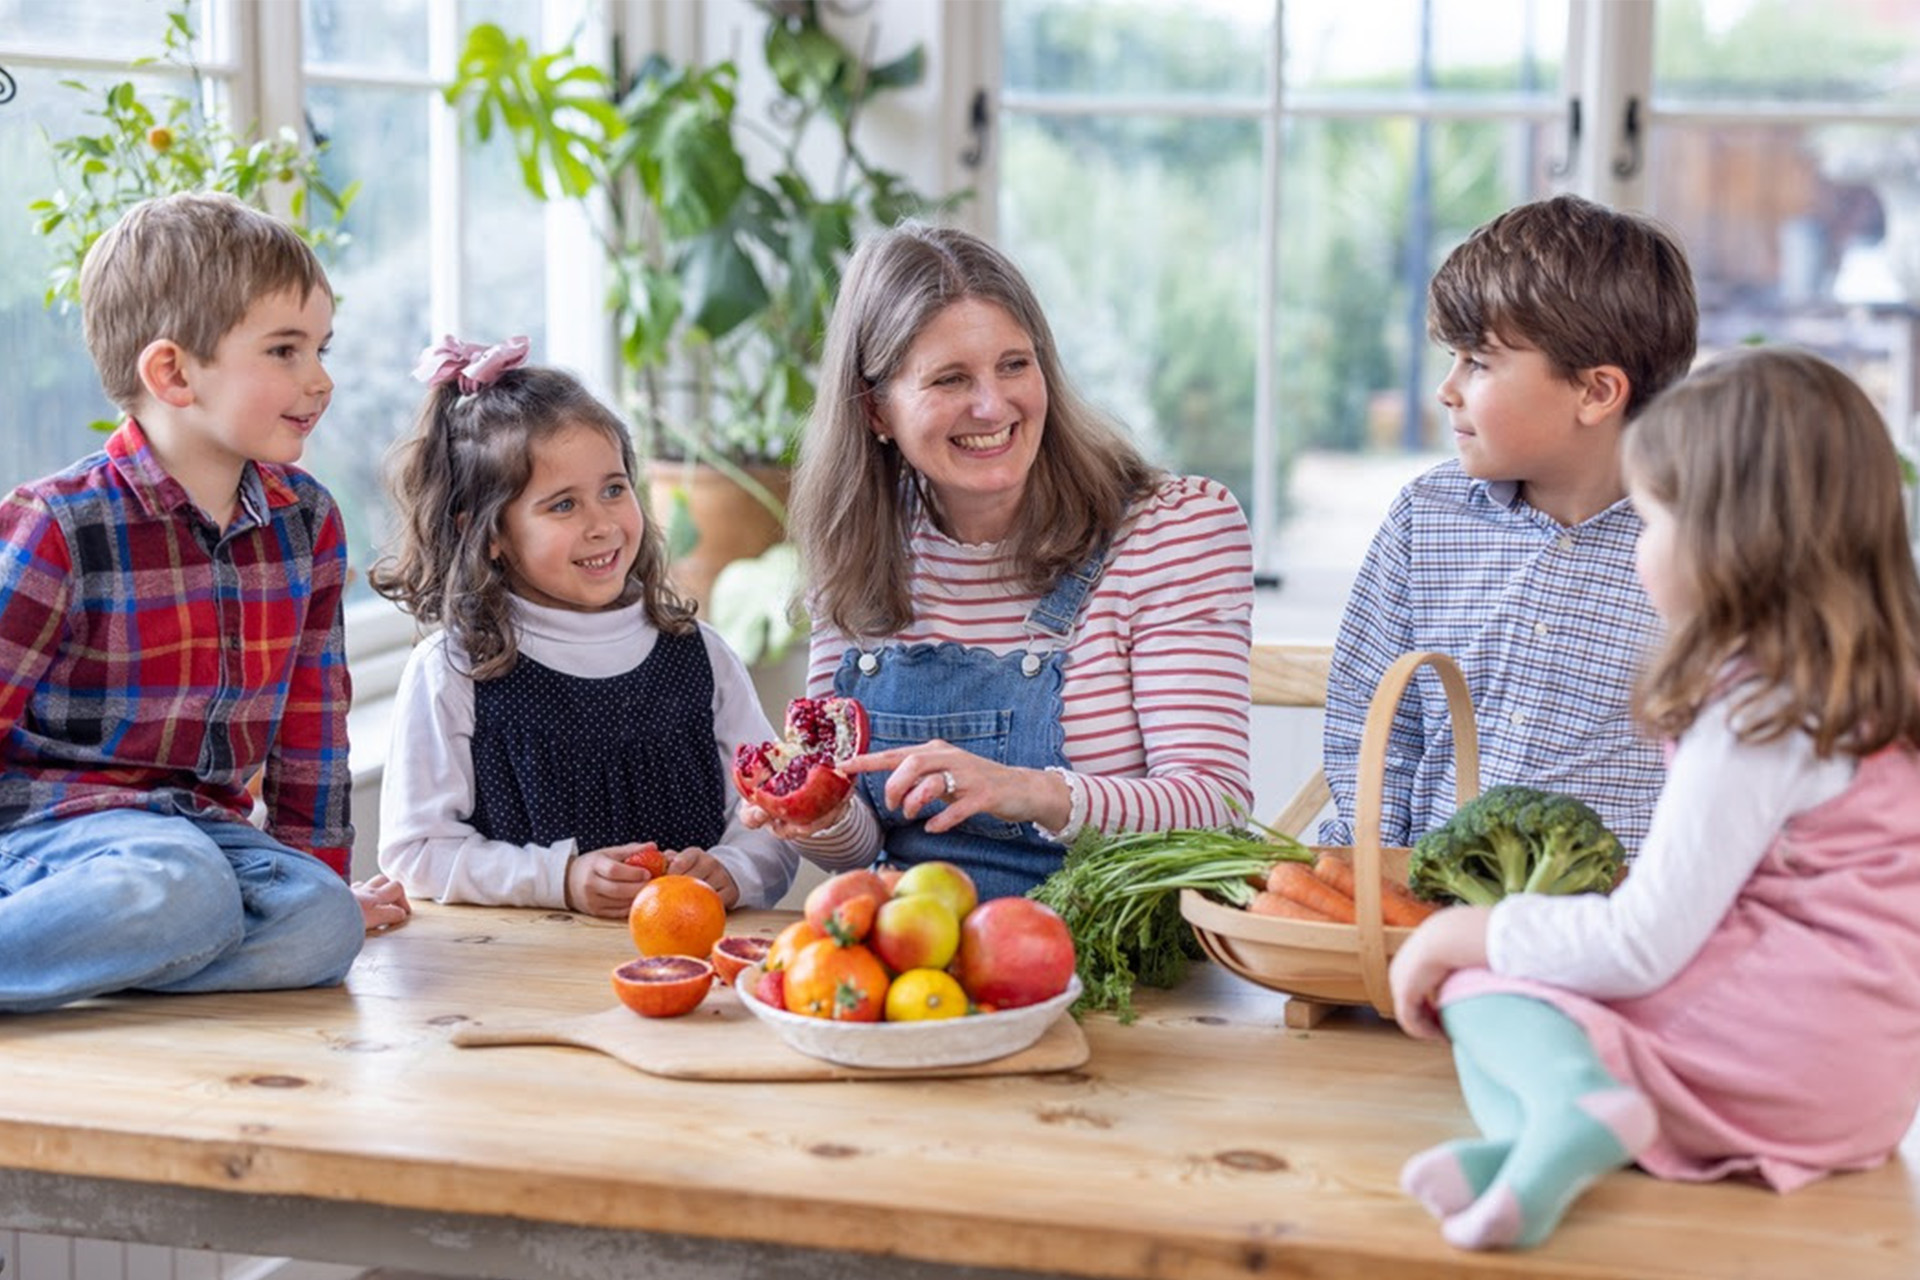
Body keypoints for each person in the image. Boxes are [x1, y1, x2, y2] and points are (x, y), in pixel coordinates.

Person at [1387, 347, 1920, 1251]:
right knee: (1533, 990)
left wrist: (1458, 933)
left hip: (1785, 1058)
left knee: (1480, 986)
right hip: (1867, 1083)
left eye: (1652, 519)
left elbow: (1641, 943)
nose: (1637, 548)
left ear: (1730, 540)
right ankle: (1536, 1151)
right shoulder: (1864, 697)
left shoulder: (1757, 716)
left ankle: (1562, 1118)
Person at [744, 222, 1256, 901]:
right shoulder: (860, 544)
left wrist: (1030, 791)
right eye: (950, 378)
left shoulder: (1172, 528)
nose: (993, 405)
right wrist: (816, 810)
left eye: (1014, 365)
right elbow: (861, 850)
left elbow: (1215, 809)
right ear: (876, 411)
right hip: (922, 961)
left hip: (1115, 968)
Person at [0, 192, 407, 1015]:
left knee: (323, 927)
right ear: (173, 373)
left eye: (320, 347)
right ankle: (104, 938)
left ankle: (86, 959)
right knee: (181, 893)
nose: (320, 379)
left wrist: (318, 873)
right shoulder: (59, 526)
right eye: (285, 351)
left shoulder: (308, 522)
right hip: (53, 834)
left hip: (201, 835)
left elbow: (312, 722)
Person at [1321, 194, 1699, 858]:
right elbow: (1370, 722)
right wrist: (1373, 879)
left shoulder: (1702, 552)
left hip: (1617, 934)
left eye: (1479, 362)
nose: (1448, 389)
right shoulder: (1427, 517)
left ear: (1596, 392)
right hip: (1427, 918)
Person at [371, 336, 801, 916]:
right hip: (530, 982)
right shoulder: (453, 672)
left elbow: (774, 822)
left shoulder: (703, 657)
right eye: (563, 506)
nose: (602, 524)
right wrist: (559, 879)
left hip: (696, 971)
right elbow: (416, 852)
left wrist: (734, 870)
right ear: (490, 533)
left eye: (613, 489)